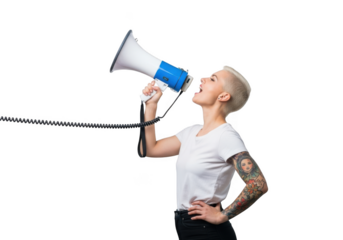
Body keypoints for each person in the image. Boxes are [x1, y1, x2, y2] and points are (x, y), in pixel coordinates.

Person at [140, 64, 269, 239]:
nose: (202, 79)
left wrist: (222, 215)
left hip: (206, 230)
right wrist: (151, 106)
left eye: (212, 78)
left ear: (223, 96)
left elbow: (258, 183)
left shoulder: (225, 136)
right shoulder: (191, 132)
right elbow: (149, 149)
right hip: (185, 225)